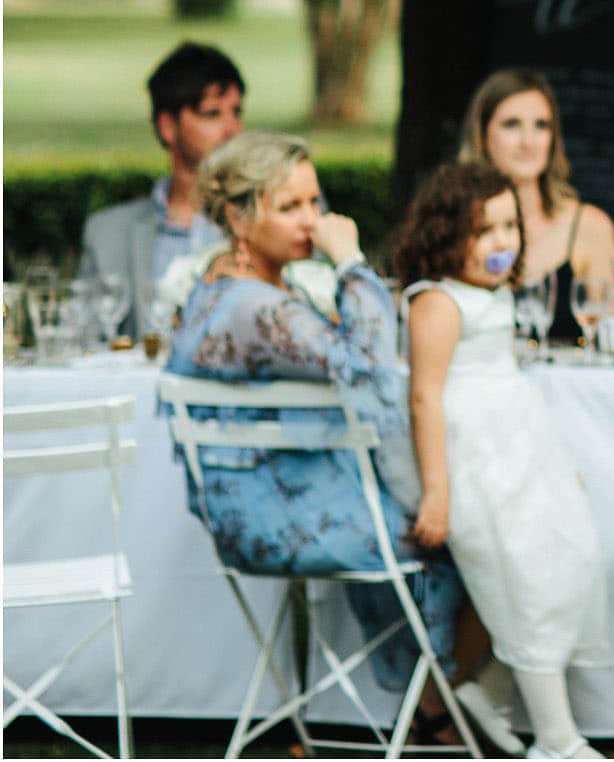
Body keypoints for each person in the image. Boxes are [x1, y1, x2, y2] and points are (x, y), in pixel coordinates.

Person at [161, 131, 493, 746]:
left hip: (261, 503)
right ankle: (433, 709)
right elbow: (368, 359)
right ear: (237, 216)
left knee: (454, 517)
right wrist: (350, 260)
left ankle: (432, 706)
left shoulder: (236, 285)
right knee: (474, 536)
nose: (312, 220)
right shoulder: (253, 306)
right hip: (272, 517)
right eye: (289, 207)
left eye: (314, 202)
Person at [398, 161, 607, 761]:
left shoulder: (494, 294)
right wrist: (436, 492)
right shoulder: (437, 302)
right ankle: (556, 740)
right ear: (445, 234)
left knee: (573, 557)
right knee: (525, 584)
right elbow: (424, 398)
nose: (501, 243)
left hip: (522, 457)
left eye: (509, 227)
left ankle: (484, 692)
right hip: (477, 469)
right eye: (484, 230)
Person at [79, 42, 247, 337]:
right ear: (168, 127)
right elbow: (87, 340)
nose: (233, 129)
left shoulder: (273, 217)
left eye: (236, 112)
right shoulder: (107, 232)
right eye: (212, 114)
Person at [458, 70, 614, 344]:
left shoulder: (588, 226)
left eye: (541, 125)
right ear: (482, 134)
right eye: (511, 125)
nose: (528, 142)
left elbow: (611, 342)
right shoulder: (454, 223)